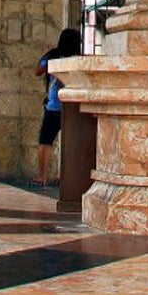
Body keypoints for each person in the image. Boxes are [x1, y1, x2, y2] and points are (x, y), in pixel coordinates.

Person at [35, 27, 83, 186]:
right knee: (72, 143)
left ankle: (42, 175)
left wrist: (54, 65)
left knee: (45, 141)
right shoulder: (79, 59)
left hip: (54, 106)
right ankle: (70, 176)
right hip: (74, 105)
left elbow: (38, 71)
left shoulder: (52, 55)